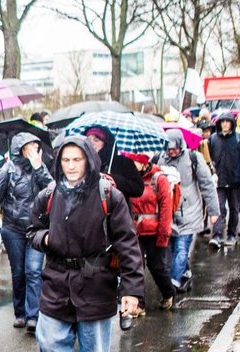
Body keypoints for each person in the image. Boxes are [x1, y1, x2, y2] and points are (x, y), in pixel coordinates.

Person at [27, 135, 144, 352]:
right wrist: (45, 240)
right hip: (56, 281)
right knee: (50, 343)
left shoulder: (109, 195)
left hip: (96, 281)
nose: (71, 166)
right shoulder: (49, 195)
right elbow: (32, 230)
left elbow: (128, 244)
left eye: (77, 159)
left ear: (89, 160)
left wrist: (132, 290)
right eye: (66, 160)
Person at [0, 133, 53, 333]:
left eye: (35, 145)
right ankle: (20, 313)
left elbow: (52, 190)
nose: (32, 149)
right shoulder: (8, 170)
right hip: (12, 229)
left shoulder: (40, 167)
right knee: (19, 272)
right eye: (28, 145)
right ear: (19, 148)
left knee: (33, 271)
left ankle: (33, 315)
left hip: (36, 229)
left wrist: (39, 168)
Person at [157, 129, 219, 293]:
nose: (172, 151)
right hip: (168, 212)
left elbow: (207, 185)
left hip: (189, 211)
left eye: (174, 148)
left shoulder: (193, 158)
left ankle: (173, 282)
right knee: (170, 249)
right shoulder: (160, 159)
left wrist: (214, 211)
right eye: (169, 148)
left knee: (182, 248)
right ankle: (184, 273)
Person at [123, 152, 175, 312]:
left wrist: (163, 235)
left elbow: (166, 210)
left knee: (156, 266)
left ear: (144, 163)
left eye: (134, 162)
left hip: (153, 232)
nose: (131, 165)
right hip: (135, 231)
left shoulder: (159, 179)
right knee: (136, 267)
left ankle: (168, 293)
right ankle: (139, 304)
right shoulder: (130, 179)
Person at [208, 112, 240, 247]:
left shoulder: (239, 138)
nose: (225, 124)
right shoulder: (213, 139)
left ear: (232, 123)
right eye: (222, 122)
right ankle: (217, 235)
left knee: (234, 208)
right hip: (219, 180)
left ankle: (232, 234)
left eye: (227, 121)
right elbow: (209, 158)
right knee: (219, 207)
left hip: (235, 180)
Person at [83, 126, 144, 199]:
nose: (91, 143)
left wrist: (114, 179)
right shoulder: (82, 162)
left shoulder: (123, 162)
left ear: (105, 143)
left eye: (96, 140)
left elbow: (138, 188)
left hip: (116, 208)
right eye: (88, 140)